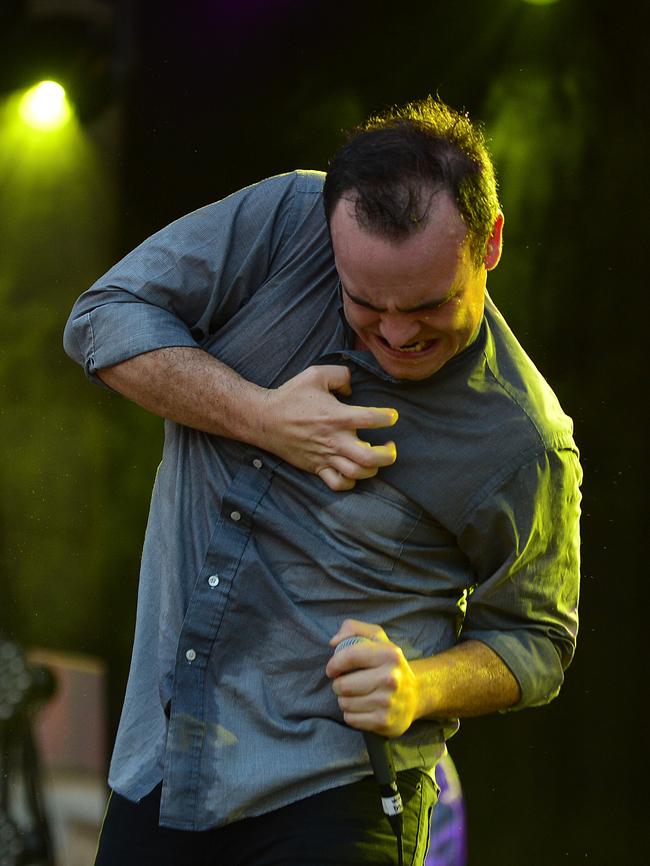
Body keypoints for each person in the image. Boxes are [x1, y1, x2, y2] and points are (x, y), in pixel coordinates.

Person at [64, 96, 581, 866]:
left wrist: (419, 686)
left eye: (431, 305)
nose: (400, 333)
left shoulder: (523, 439)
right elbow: (102, 316)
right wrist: (259, 416)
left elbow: (536, 639)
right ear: (330, 239)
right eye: (366, 304)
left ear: (490, 242)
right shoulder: (286, 218)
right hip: (166, 765)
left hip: (335, 794)